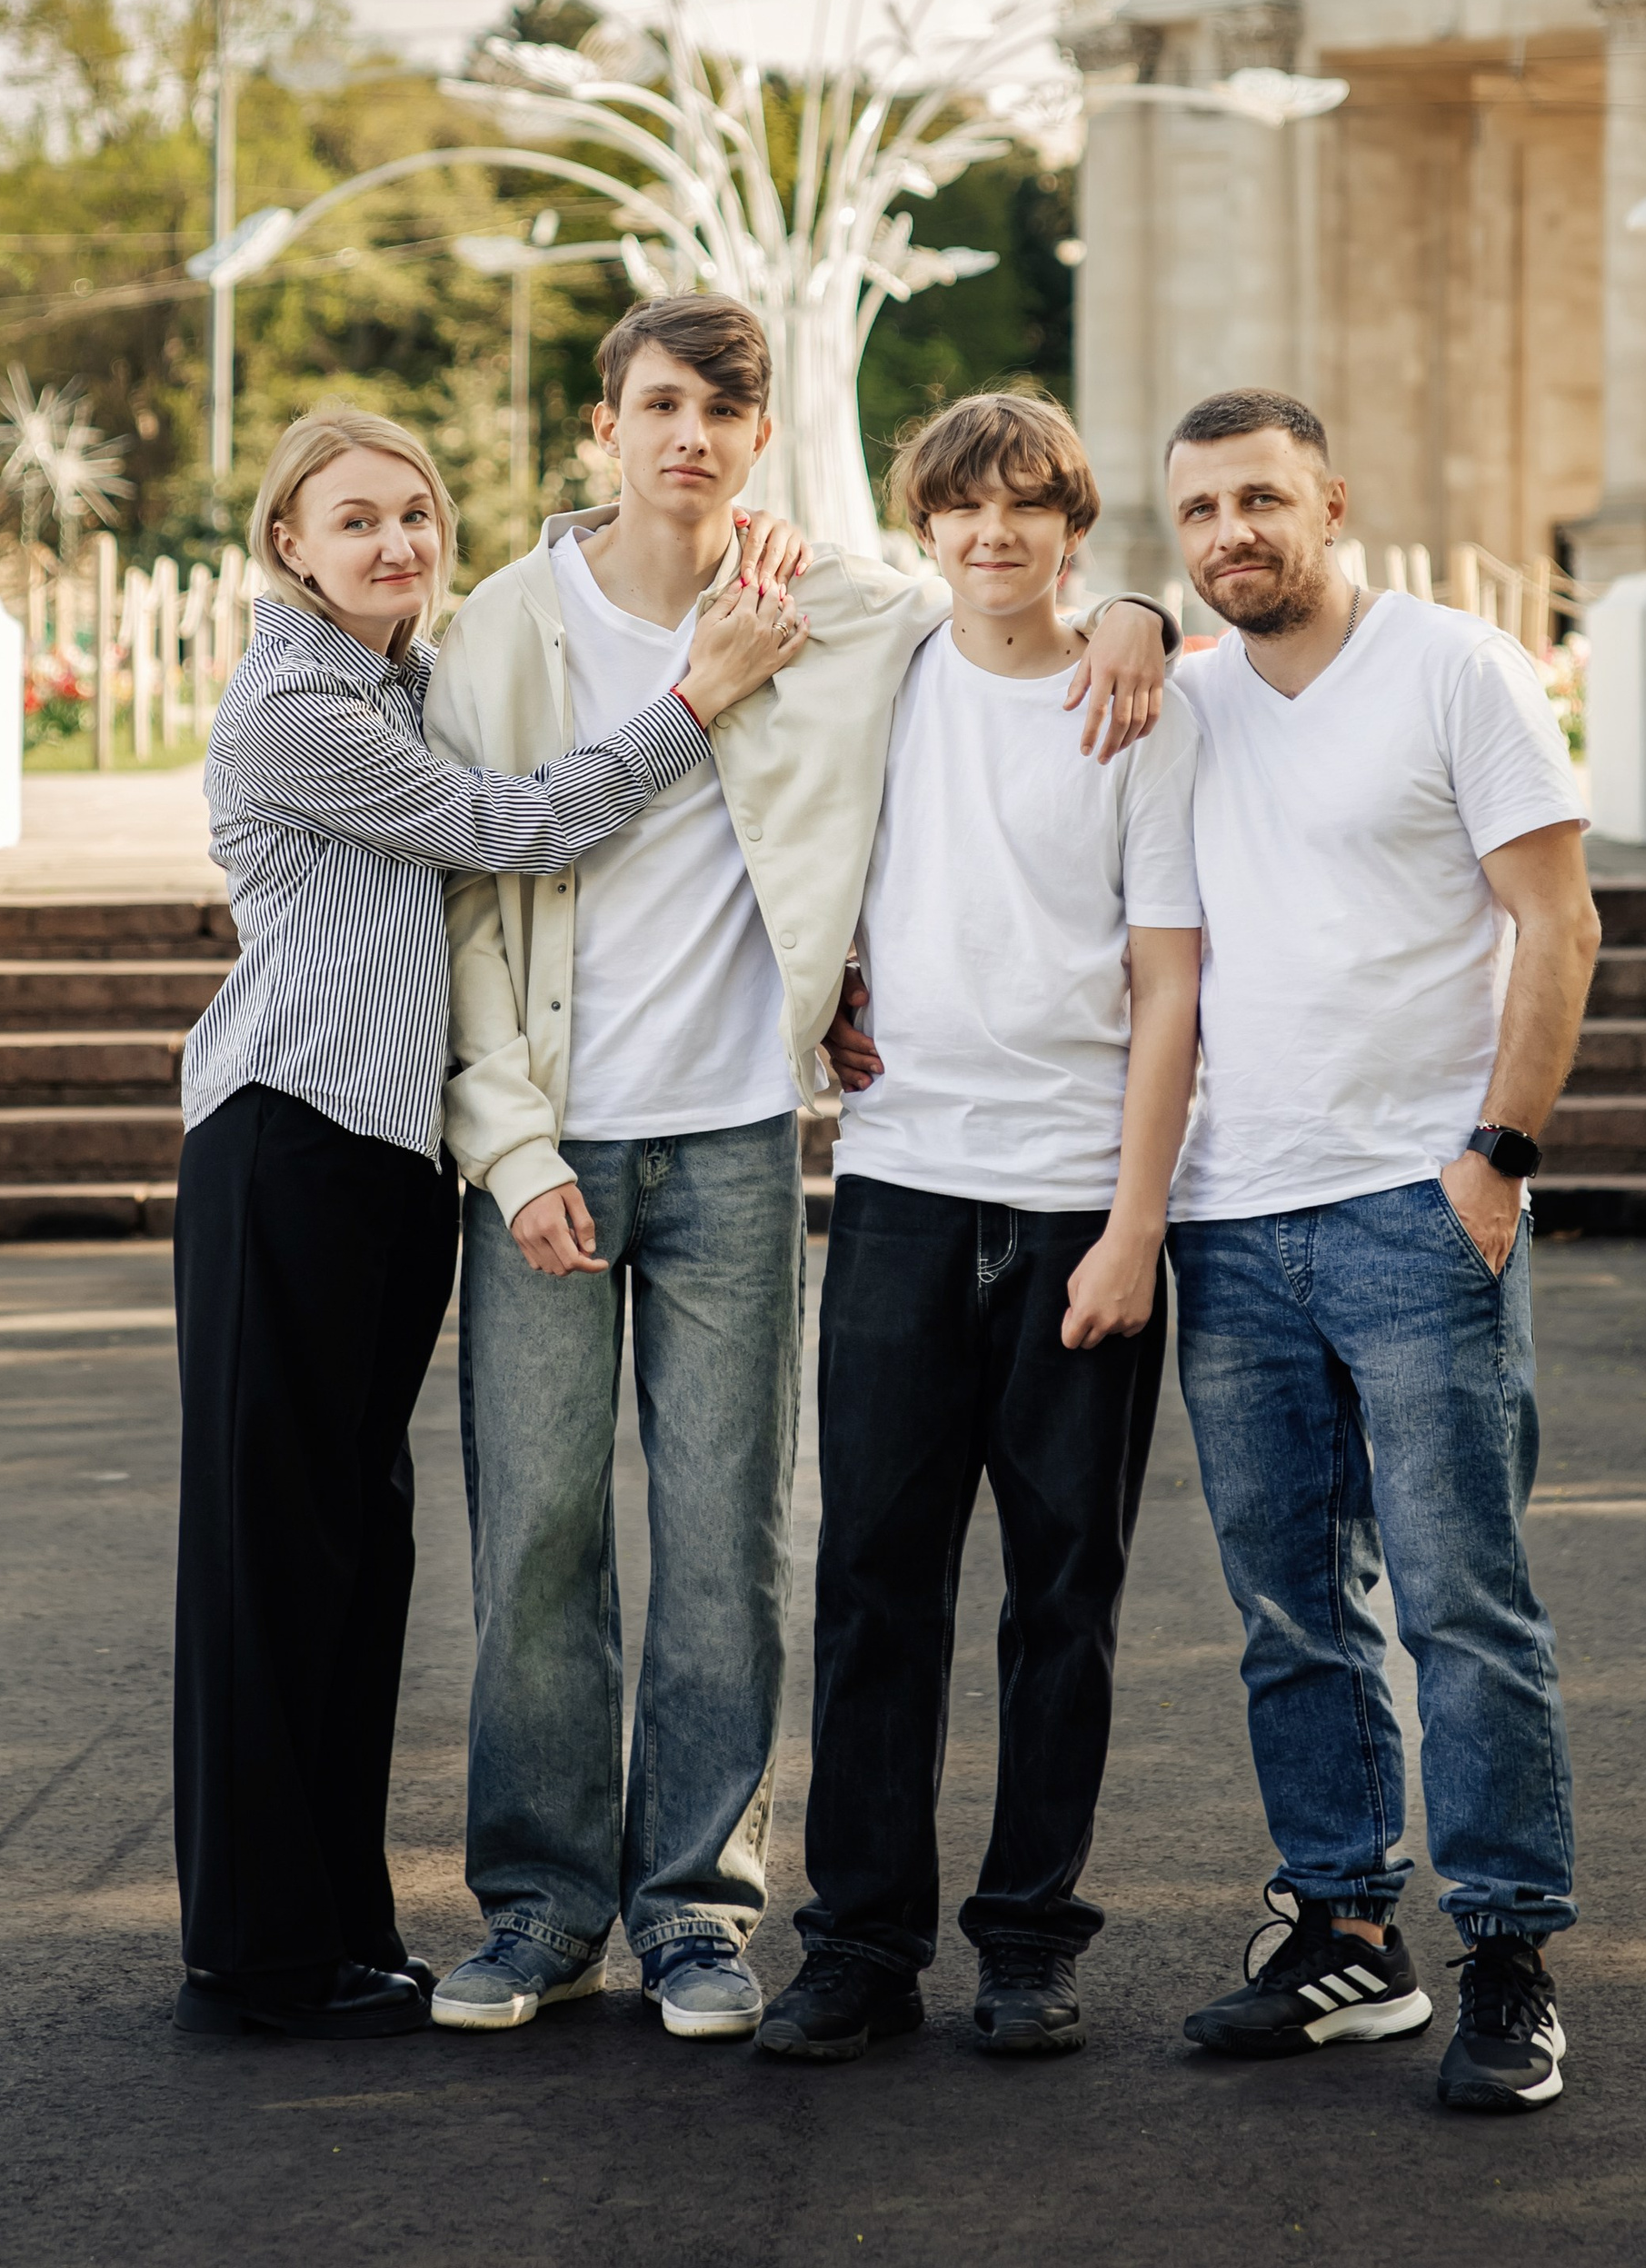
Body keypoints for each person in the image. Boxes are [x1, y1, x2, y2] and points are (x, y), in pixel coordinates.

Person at [424, 300, 1175, 2044]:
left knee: (730, 1546)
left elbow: (1020, 599)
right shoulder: (504, 628)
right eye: (659, 404)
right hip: (549, 1144)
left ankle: (698, 1909)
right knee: (536, 1537)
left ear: (762, 439)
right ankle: (540, 1907)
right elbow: (464, 904)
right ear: (603, 425)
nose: (689, 434)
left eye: (723, 409)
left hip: (741, 1139)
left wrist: (1145, 605)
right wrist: (509, 1139)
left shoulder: (837, 607)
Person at [168, 403, 806, 2043]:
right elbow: (517, 831)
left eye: (415, 517)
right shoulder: (300, 701)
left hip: (383, 1167)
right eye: (355, 520)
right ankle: (257, 1950)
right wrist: (693, 701)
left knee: (351, 1550)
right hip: (282, 1144)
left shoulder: (399, 674)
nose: (394, 544)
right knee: (269, 1554)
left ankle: (336, 1928)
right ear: (286, 546)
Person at [1162, 388, 1598, 2114]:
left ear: (1331, 503)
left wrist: (1495, 1162)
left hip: (1419, 1209)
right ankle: (1346, 1929)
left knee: (1462, 1604)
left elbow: (1557, 919)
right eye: (1197, 515)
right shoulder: (1181, 696)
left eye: (1261, 500)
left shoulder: (1453, 668)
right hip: (1228, 1219)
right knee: (1287, 1607)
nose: (1230, 538)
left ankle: (1509, 1953)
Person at [758, 396, 1203, 2066]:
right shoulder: (885, 672)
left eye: (1030, 510)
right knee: (874, 1581)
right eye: (964, 510)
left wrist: (1135, 1225)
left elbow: (1171, 986)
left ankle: (1029, 1939)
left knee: (1063, 1591)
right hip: (901, 1184)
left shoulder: (1137, 705)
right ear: (925, 526)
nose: (995, 537)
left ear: (1074, 531)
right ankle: (860, 1942)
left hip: (1079, 1198)